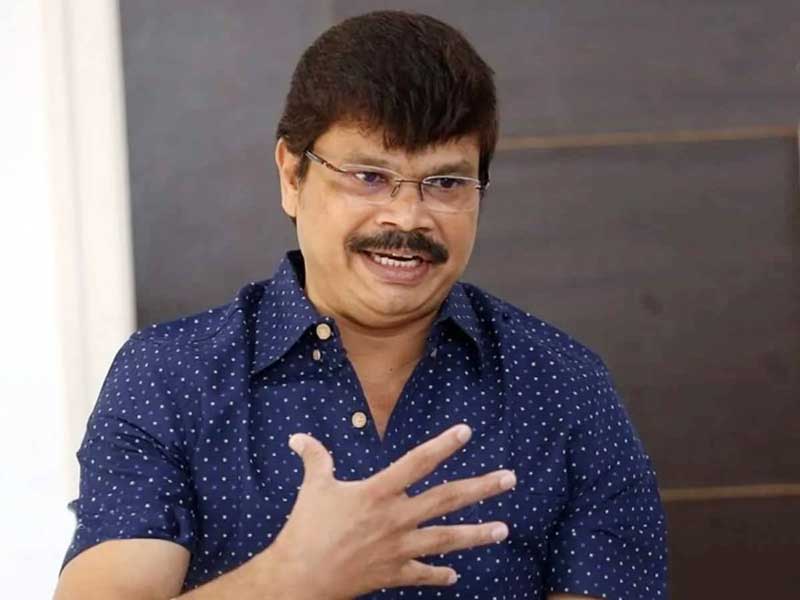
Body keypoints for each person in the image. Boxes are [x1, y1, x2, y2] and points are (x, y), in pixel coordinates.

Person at [54, 10, 667, 600]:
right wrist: (293, 579)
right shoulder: (168, 377)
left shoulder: (565, 386)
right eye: (369, 176)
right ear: (291, 175)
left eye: (445, 182)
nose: (408, 217)